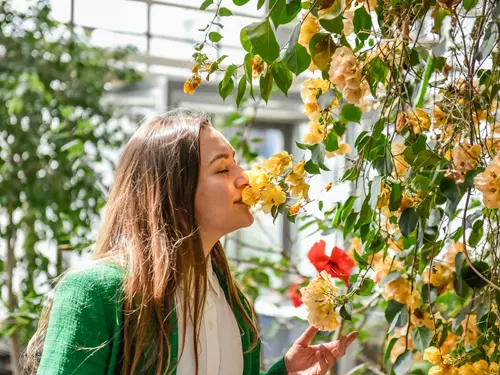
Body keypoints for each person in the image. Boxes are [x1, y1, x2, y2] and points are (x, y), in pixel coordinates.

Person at [26, 109, 358, 375]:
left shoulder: (234, 302)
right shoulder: (94, 291)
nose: (244, 176)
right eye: (223, 169)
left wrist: (284, 372)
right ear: (175, 192)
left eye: (235, 162)